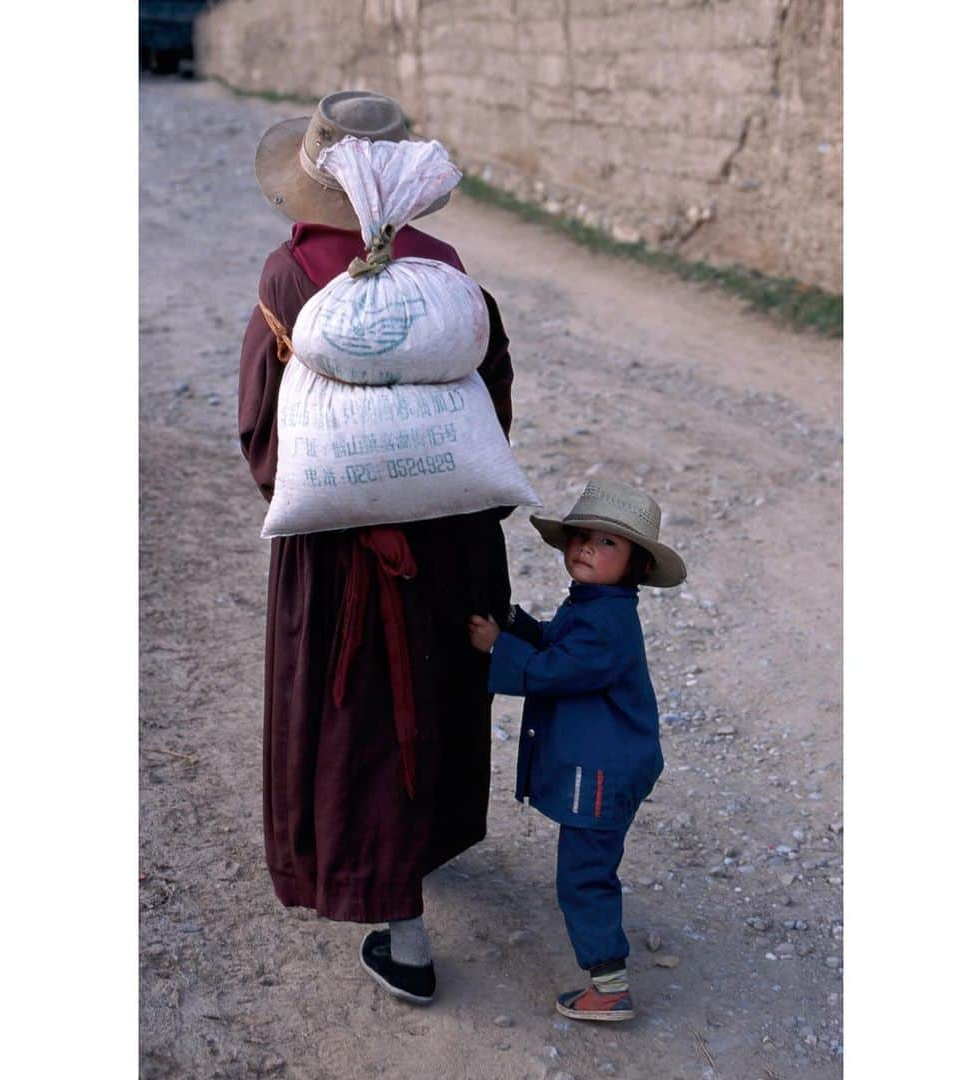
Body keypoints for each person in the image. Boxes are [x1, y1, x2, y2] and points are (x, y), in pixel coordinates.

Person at [239, 89, 515, 1005]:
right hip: (452, 541)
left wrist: (347, 494)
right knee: (432, 693)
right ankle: (426, 852)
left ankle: (405, 940)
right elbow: (493, 409)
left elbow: (263, 436)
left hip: (344, 552)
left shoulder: (291, 279)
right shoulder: (450, 275)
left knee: (359, 716)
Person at [468, 479, 686, 1021]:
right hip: (606, 762)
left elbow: (560, 669)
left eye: (607, 542)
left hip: (604, 771)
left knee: (584, 875)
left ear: (636, 565)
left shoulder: (608, 622)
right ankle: (605, 971)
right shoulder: (594, 604)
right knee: (587, 866)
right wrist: (520, 626)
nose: (587, 547)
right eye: (581, 537)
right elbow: (561, 645)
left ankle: (609, 986)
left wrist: (500, 646)